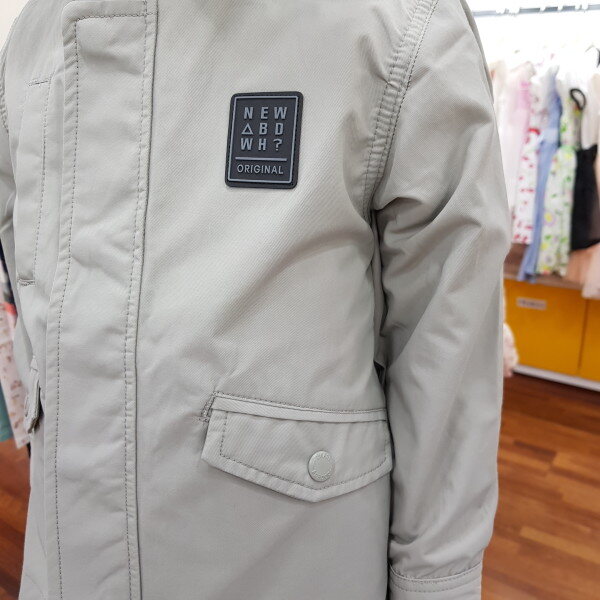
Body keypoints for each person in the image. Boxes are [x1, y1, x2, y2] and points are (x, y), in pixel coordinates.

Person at [0, 0, 510, 598]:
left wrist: (435, 585)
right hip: (61, 562)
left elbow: (447, 341)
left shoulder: (393, 22)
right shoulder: (33, 34)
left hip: (289, 563)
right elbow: (28, 267)